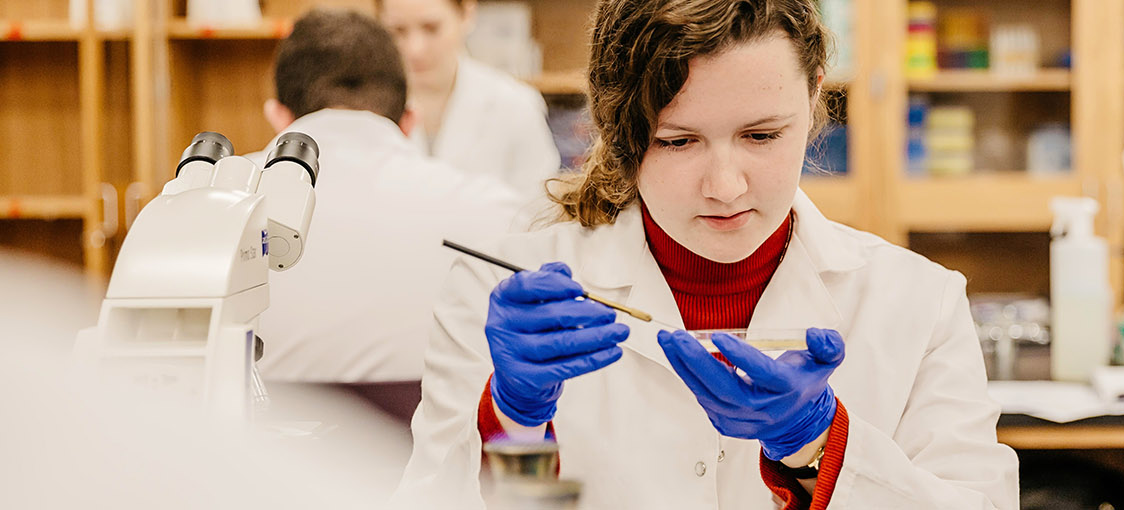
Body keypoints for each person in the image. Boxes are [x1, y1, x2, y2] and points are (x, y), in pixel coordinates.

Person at [399, 0, 1020, 508]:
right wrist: (512, 419)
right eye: (678, 141)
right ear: (620, 130)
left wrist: (820, 448)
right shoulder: (498, 291)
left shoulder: (919, 302)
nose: (725, 187)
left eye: (761, 136)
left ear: (814, 101)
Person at [254, 9, 523, 383]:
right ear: (409, 121)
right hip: (428, 438)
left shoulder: (193, 207)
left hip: (251, 438)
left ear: (279, 118)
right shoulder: (500, 216)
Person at [379, 0, 561, 198]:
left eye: (431, 28)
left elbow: (538, 211)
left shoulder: (517, 105)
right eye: (398, 31)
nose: (415, 49)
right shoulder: (368, 109)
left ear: (466, 14)